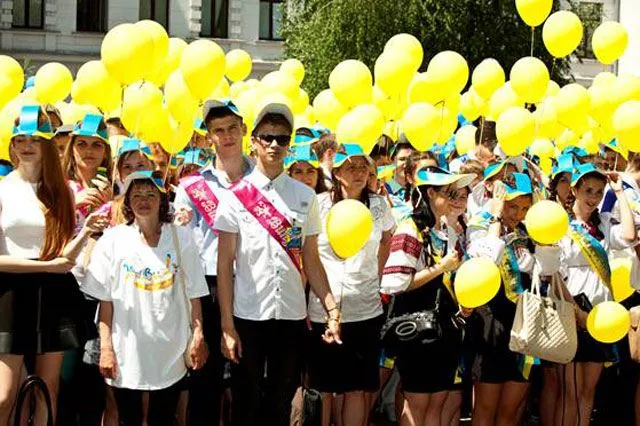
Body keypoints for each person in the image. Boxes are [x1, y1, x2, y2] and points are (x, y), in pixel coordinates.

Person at [215, 102, 341, 426]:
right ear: (254, 141)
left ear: (289, 144)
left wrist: (332, 311)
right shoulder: (234, 196)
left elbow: (311, 259)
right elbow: (224, 266)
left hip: (290, 315)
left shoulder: (305, 196)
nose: (274, 144)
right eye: (267, 137)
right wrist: (227, 326)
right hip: (248, 315)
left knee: (282, 399)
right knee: (246, 401)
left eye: (282, 138)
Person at [0, 105, 108, 425]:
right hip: (10, 292)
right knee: (4, 395)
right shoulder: (3, 188)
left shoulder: (61, 190)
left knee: (48, 389)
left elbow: (63, 254)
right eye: (21, 139)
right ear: (12, 145)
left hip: (54, 292)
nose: (27, 145)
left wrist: (86, 232)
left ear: (47, 143)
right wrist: (46, 267)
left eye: (35, 138)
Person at [82, 171, 208, 426]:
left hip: (171, 351)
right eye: (137, 195)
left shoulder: (181, 237)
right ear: (127, 202)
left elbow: (195, 293)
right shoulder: (112, 240)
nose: (144, 200)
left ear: (162, 201)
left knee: (164, 417)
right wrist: (106, 348)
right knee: (128, 418)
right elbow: (105, 302)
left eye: (151, 194)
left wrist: (198, 335)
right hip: (127, 352)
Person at [173, 99, 254, 426]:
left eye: (232, 128)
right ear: (209, 137)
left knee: (247, 381)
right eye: (218, 130)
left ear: (244, 130)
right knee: (204, 381)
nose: (227, 136)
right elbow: (182, 245)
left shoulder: (262, 180)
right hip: (206, 287)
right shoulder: (192, 186)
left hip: (251, 284)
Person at [306, 143, 394, 426]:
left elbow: (387, 240)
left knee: (357, 387)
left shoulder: (379, 205)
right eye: (351, 166)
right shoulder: (318, 204)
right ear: (336, 172)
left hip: (365, 309)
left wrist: (375, 276)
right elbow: (308, 254)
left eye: (363, 167)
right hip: (323, 307)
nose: (358, 172)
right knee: (323, 388)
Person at [381, 167, 476, 426]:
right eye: (449, 193)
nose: (456, 200)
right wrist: (440, 267)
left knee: (438, 401)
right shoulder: (410, 229)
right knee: (417, 403)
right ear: (430, 193)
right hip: (418, 329)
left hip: (446, 328)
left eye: (459, 194)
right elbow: (395, 282)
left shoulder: (447, 230)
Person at [554, 163, 636, 426]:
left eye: (599, 192)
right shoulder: (561, 226)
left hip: (600, 316)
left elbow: (629, 235)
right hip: (571, 312)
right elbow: (554, 276)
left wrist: (619, 193)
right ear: (574, 190)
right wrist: (576, 312)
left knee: (588, 391)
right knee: (570, 392)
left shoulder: (603, 223)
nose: (593, 197)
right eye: (588, 190)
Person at [466, 173, 541, 426]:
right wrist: (496, 217)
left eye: (524, 208)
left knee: (510, 411)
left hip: (523, 324)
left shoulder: (528, 233)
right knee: (485, 409)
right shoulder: (480, 225)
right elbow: (487, 260)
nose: (518, 214)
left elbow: (547, 271)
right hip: (490, 323)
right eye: (512, 206)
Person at [63, 113, 114, 232]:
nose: (89, 151)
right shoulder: (58, 185)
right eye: (81, 144)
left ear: (105, 152)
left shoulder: (117, 188)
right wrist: (71, 204)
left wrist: (113, 204)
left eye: (97, 145)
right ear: (71, 150)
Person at [384, 139, 415, 221]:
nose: (406, 164)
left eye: (411, 159)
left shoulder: (421, 189)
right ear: (392, 161)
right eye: (402, 159)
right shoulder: (383, 189)